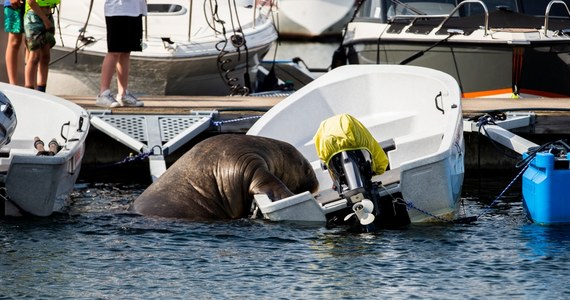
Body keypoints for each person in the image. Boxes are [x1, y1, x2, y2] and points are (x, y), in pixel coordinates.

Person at [95, 0, 146, 108]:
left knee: (126, 52)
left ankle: (123, 94)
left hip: (135, 10)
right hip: (117, 10)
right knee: (114, 51)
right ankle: (103, 94)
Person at [24, 0, 58, 92]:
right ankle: (29, 90)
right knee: (34, 56)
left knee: (46, 56)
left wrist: (47, 19)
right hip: (34, 18)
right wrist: (45, 20)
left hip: (48, 16)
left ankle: (41, 90)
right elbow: (31, 2)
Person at [3, 0, 25, 85]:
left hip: (36, 5)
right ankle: (13, 84)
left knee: (32, 43)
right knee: (14, 41)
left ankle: (30, 85)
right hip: (15, 4)